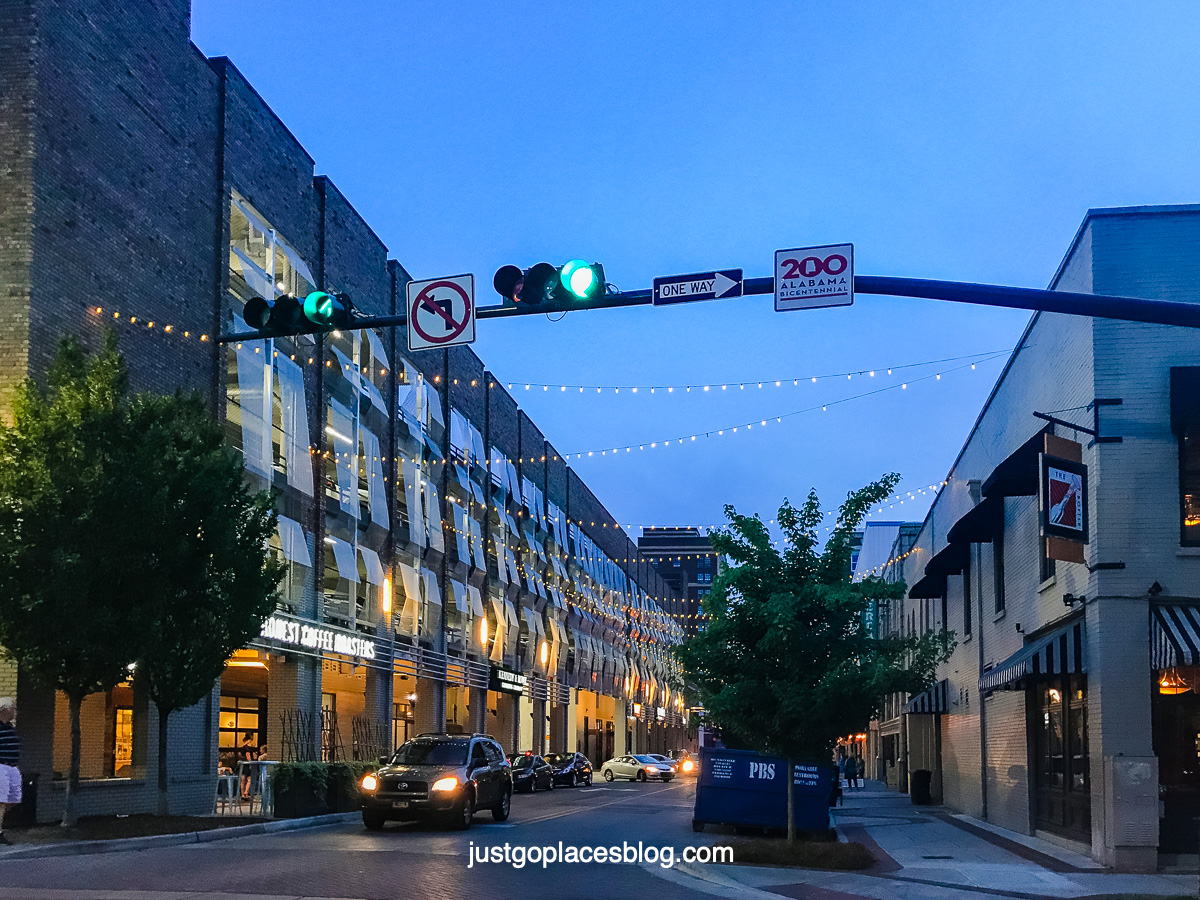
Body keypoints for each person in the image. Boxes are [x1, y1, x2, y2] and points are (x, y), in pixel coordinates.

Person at [0, 698, 21, 846]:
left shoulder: (9, 727)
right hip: (1, 766)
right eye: (13, 708)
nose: (15, 711)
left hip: (12, 767)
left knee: (13, 800)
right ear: (5, 710)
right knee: (1, 801)